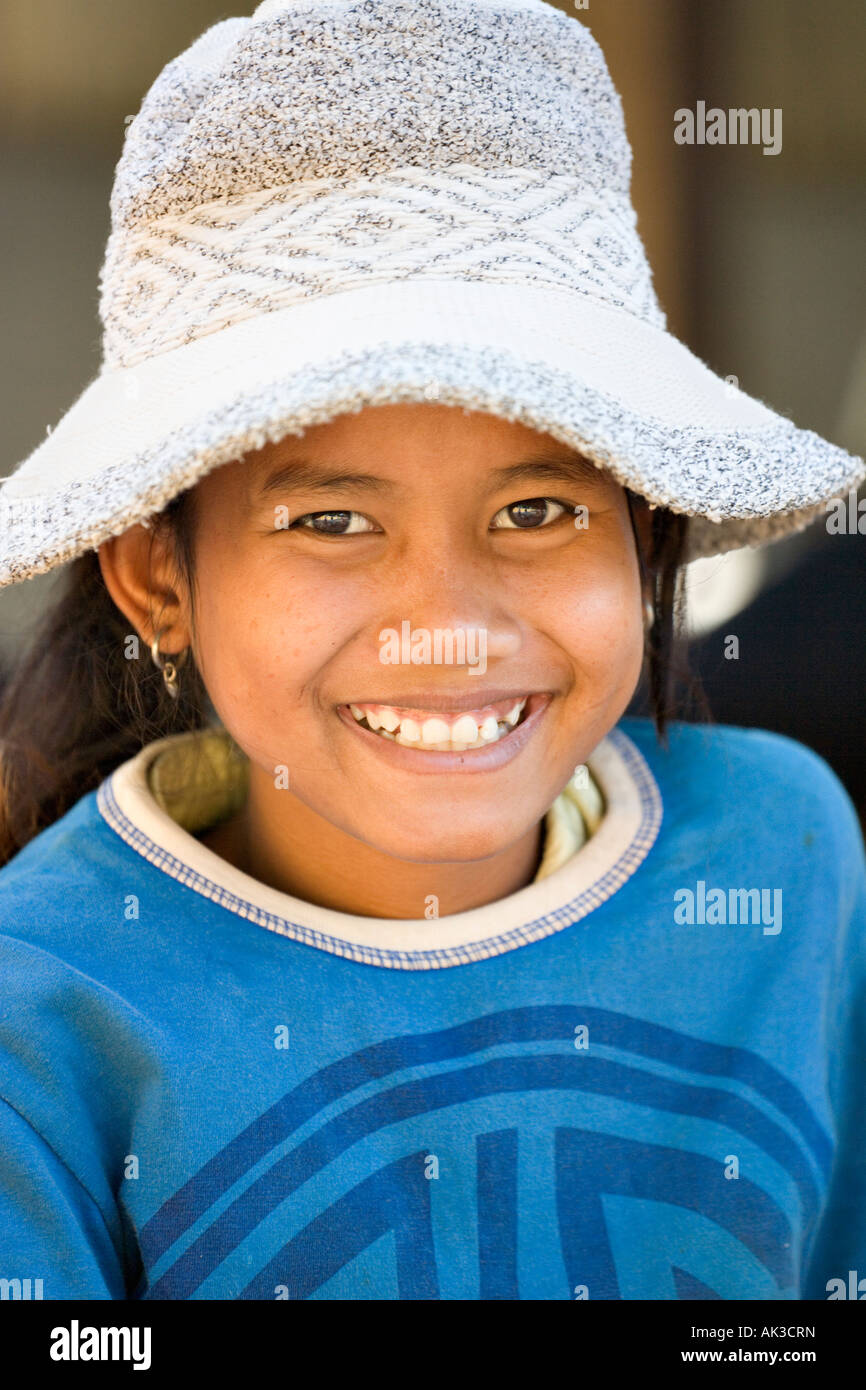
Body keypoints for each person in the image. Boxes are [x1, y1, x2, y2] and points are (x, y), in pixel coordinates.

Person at [0, 0, 863, 1302]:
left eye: (536, 511)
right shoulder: (43, 997)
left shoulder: (783, 861)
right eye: (332, 521)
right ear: (156, 577)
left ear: (643, 533)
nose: (449, 621)